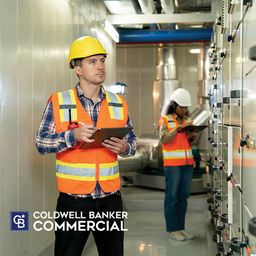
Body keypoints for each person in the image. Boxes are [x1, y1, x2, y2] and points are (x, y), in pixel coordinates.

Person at [36, 36, 136, 256]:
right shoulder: (59, 101)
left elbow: (133, 143)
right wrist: (73, 136)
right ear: (77, 68)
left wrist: (124, 148)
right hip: (73, 201)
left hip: (110, 199)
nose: (100, 66)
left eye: (102, 60)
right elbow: (41, 142)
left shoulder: (118, 102)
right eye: (93, 61)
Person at [159, 88, 195, 241]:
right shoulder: (166, 120)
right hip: (173, 164)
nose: (184, 110)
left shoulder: (188, 120)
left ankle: (181, 228)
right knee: (172, 197)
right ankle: (173, 229)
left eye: (186, 107)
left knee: (183, 196)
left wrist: (191, 135)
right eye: (182, 107)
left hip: (187, 163)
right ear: (174, 105)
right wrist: (176, 130)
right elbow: (164, 139)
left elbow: (188, 141)